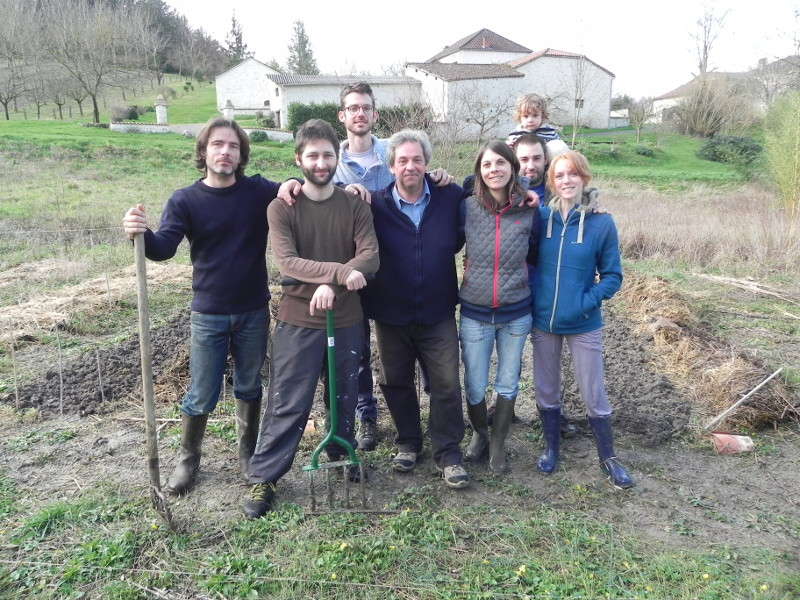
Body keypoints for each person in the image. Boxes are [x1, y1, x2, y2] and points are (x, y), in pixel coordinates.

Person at [281, 82, 449, 452]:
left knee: (406, 353)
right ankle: (366, 414)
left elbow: (415, 178)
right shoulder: (330, 160)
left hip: (393, 272)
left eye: (366, 108)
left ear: (374, 114)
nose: (360, 114)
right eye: (352, 108)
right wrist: (291, 182)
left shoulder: (393, 154)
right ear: (342, 116)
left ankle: (426, 421)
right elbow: (309, 183)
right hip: (347, 272)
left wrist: (438, 176)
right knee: (356, 352)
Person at [122, 117, 280, 497]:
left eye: (233, 146)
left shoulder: (258, 191)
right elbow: (163, 249)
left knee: (248, 385)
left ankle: (247, 455)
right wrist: (140, 234)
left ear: (241, 154)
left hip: (253, 311)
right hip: (208, 313)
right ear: (204, 151)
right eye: (217, 144)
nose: (225, 151)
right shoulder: (185, 200)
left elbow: (300, 190)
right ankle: (188, 460)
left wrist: (310, 185)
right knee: (201, 391)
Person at [244, 119, 379, 518]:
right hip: (298, 320)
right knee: (288, 399)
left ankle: (342, 450)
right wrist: (338, 275)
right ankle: (264, 476)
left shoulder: (355, 204)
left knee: (344, 393)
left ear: (337, 158)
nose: (321, 162)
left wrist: (334, 288)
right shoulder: (281, 206)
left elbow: (370, 256)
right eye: (313, 155)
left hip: (348, 317)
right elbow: (287, 261)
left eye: (328, 155)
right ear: (298, 159)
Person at [359, 129, 470, 489]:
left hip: (438, 313)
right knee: (395, 382)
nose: (411, 166)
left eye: (417, 159)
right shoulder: (373, 205)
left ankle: (448, 452)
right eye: (403, 160)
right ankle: (408, 441)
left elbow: (485, 189)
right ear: (390, 166)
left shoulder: (449, 196)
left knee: (446, 384)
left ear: (427, 164)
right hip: (391, 314)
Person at [531, 150, 633, 488]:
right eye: (559, 175)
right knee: (546, 389)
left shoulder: (602, 223)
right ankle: (551, 447)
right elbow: (526, 260)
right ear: (552, 181)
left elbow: (613, 276)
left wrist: (584, 304)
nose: (566, 180)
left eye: (572, 174)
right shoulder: (541, 217)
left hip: (583, 321)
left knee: (592, 390)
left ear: (584, 178)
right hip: (543, 321)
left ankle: (608, 456)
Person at [459, 140, 537, 473]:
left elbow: (537, 252)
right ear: (479, 170)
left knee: (507, 382)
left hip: (515, 313)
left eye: (501, 163)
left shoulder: (530, 209)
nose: (494, 170)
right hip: (475, 313)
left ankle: (499, 441)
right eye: (487, 165)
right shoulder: (466, 207)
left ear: (512, 167)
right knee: (475, 383)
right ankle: (479, 433)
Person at [505, 93, 569, 162]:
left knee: (557, 147)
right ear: (520, 117)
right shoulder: (515, 134)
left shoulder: (549, 131)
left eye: (535, 115)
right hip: (524, 167)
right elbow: (504, 152)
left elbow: (561, 148)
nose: (530, 120)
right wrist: (508, 148)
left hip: (546, 166)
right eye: (526, 116)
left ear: (542, 115)